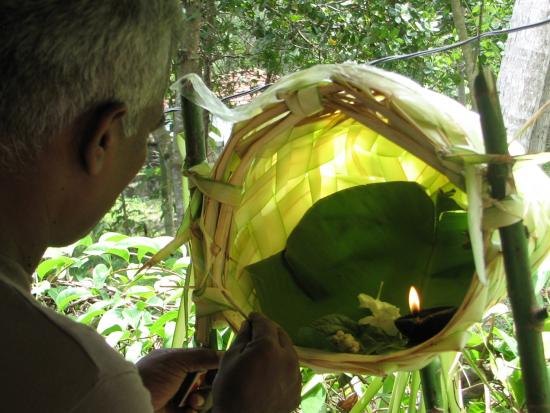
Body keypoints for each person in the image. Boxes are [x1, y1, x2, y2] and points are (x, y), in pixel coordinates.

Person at [0, 1, 301, 412]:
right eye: (147, 131)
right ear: (102, 139)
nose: (143, 155)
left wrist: (125, 397)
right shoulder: (71, 377)